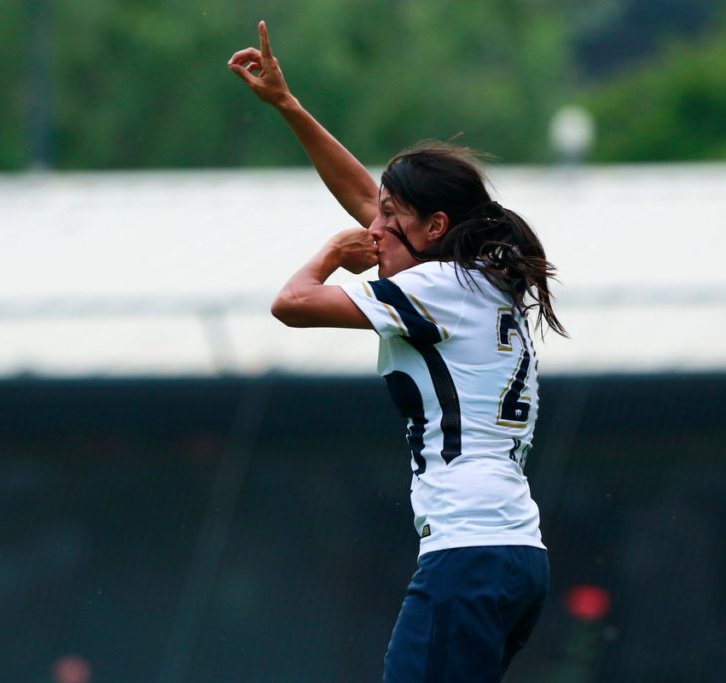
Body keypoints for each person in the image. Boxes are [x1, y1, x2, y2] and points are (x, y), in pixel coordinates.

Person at [229, 21, 566, 683]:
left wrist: (331, 254)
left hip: (468, 555)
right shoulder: (479, 278)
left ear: (436, 227)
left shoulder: (437, 286)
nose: (373, 229)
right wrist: (289, 107)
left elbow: (292, 303)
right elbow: (369, 199)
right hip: (513, 554)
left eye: (389, 220)